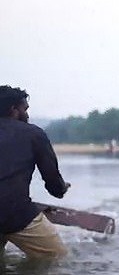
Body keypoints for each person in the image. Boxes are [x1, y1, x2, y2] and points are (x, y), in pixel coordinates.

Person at [0, 85, 70, 259]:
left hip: (12, 210)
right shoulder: (33, 134)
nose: (27, 115)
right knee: (59, 260)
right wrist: (61, 189)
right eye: (25, 109)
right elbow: (52, 180)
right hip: (16, 214)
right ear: (13, 109)